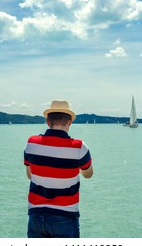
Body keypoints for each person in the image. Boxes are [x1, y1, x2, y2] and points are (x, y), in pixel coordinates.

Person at [23, 100, 93, 238]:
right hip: (65, 215)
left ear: (47, 122)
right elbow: (88, 174)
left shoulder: (31, 143)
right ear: (69, 122)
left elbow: (30, 175)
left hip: (36, 214)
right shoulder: (79, 147)